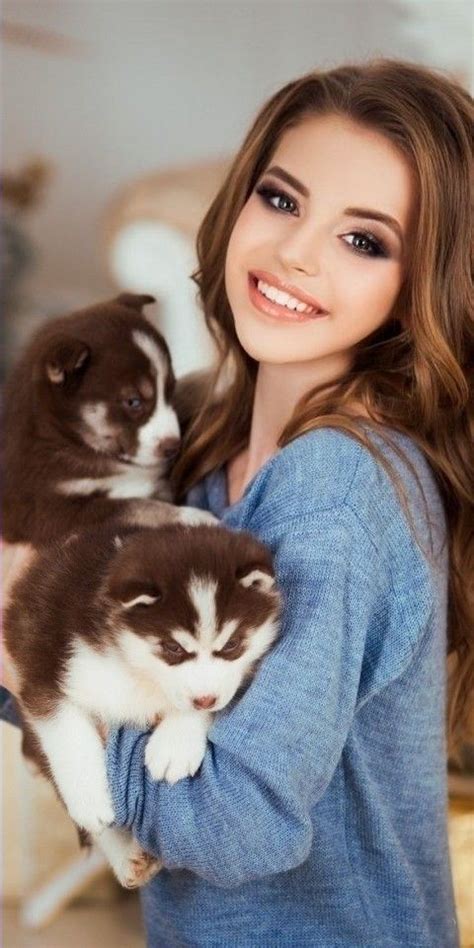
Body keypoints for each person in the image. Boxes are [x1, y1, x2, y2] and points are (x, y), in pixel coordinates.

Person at [2, 57, 472, 947]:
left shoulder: (338, 494)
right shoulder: (203, 440)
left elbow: (237, 825)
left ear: (417, 295)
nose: (296, 252)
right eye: (283, 201)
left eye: (364, 240)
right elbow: (97, 662)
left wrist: (28, 668)